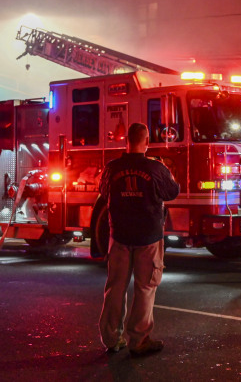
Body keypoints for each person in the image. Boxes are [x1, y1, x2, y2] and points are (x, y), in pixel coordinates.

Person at [98, 122, 180, 356]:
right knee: (145, 287)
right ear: (146, 143)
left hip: (120, 236)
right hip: (148, 237)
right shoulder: (156, 167)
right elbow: (172, 192)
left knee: (115, 287)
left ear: (127, 141)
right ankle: (139, 339)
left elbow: (103, 192)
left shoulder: (112, 168)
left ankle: (111, 338)